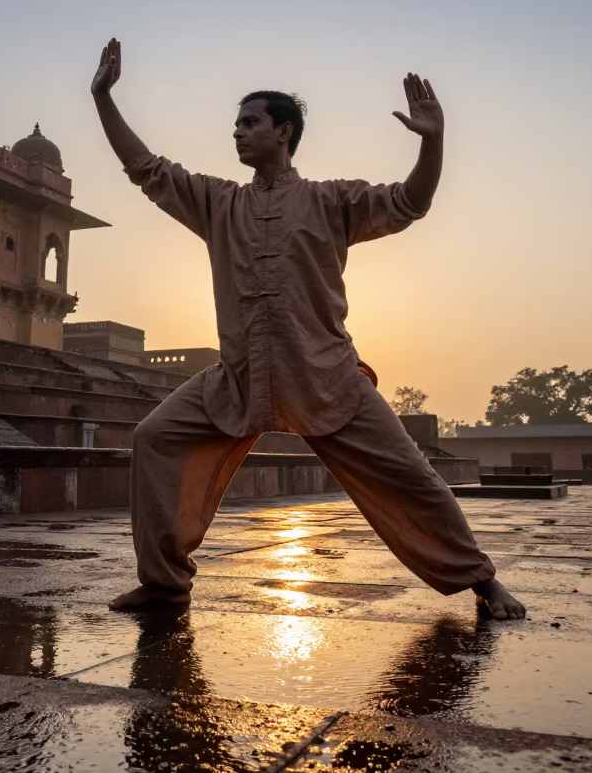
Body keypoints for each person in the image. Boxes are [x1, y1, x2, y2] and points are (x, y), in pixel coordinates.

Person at [90, 38, 525, 621]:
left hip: (327, 378)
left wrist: (433, 141)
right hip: (238, 381)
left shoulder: (331, 201)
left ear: (284, 132)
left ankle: (481, 580)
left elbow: (410, 202)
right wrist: (103, 99)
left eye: (250, 122)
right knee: (154, 439)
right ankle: (165, 584)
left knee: (411, 478)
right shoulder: (219, 203)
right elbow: (146, 169)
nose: (238, 132)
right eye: (236, 124)